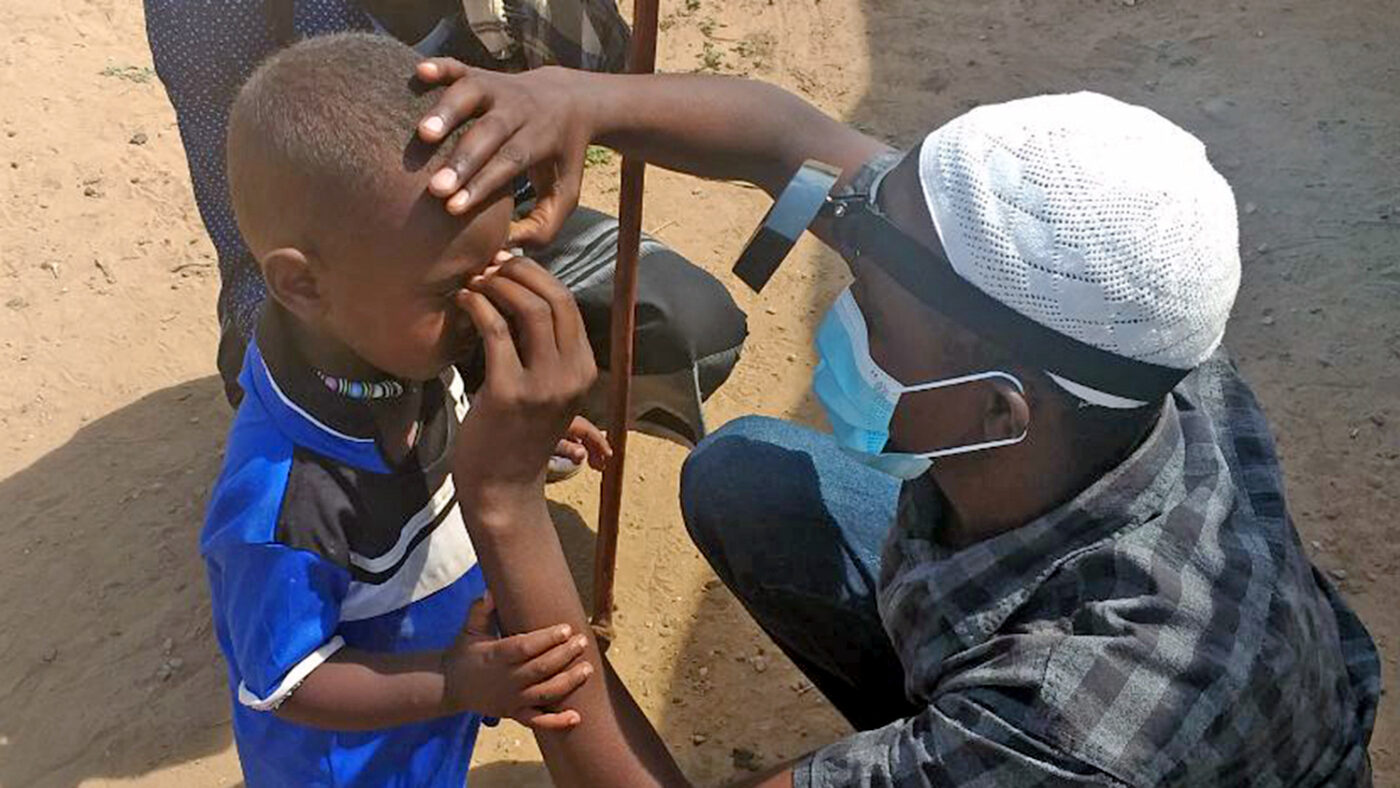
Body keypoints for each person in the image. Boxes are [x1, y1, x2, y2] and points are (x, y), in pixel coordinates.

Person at [419, 62, 1382, 786]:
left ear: (996, 408)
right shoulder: (1119, 338)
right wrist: (571, 98)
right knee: (747, 479)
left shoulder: (1078, 725)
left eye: (870, 310)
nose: (844, 317)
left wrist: (505, 502)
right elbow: (782, 140)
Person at [202, 34, 606, 786]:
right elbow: (289, 681)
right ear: (303, 285)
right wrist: (452, 681)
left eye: (499, 262)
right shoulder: (283, 506)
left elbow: (447, 427)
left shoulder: (395, 350)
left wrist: (516, 436)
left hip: (433, 723)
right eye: (451, 288)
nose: (486, 306)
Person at [143, 0, 747, 461]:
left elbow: (619, 80)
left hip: (493, 233)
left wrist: (581, 101)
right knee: (329, 438)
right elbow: (252, 244)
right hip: (344, 286)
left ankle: (465, 393)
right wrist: (434, 419)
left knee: (686, 327)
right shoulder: (210, 13)